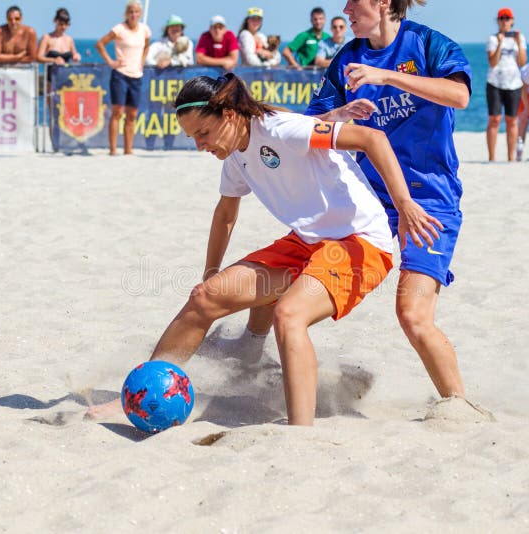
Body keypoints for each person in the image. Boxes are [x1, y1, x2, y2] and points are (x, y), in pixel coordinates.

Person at [87, 73, 442, 426]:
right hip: (305, 241)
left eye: (203, 134)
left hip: (359, 241)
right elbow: (226, 213)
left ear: (227, 116)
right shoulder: (234, 156)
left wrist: (405, 204)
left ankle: (299, 435)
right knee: (204, 298)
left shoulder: (279, 129)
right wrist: (211, 273)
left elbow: (371, 137)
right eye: (192, 137)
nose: (199, 145)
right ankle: (138, 399)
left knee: (289, 315)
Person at [305, 0, 472, 402]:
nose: (344, 8)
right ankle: (276, 364)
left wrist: (388, 77)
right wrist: (341, 112)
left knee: (413, 316)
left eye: (352, 0)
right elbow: (310, 125)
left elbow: (459, 96)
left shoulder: (428, 44)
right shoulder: (347, 60)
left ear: (382, 2)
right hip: (370, 200)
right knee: (303, 276)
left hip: (430, 199)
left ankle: (459, 406)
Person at [95, 0, 152, 156]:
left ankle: (128, 150)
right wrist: (110, 61)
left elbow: (147, 45)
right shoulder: (119, 29)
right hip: (120, 74)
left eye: (136, 12)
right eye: (131, 12)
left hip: (136, 75)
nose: (133, 15)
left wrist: (142, 61)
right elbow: (100, 44)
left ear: (140, 13)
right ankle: (113, 150)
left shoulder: (144, 30)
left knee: (132, 114)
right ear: (126, 13)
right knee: (117, 112)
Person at [485, 7, 527, 162]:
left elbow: (522, 62)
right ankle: (492, 158)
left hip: (514, 84)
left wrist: (518, 42)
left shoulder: (519, 38)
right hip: (495, 82)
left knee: (512, 120)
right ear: (498, 21)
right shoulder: (493, 39)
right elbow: (493, 62)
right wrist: (500, 44)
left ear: (512, 21)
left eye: (507, 18)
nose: (504, 21)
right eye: (502, 18)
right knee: (494, 119)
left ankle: (511, 158)